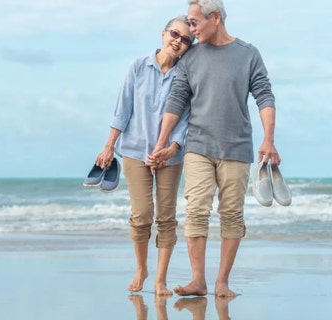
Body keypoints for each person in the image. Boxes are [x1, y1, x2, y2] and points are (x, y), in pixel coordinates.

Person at [148, 0, 280, 298]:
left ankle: (221, 282)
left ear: (215, 18)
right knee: (196, 211)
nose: (190, 30)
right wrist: (162, 142)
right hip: (198, 146)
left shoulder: (248, 54)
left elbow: (264, 96)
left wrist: (268, 139)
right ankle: (198, 281)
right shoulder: (191, 57)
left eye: (194, 23)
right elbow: (177, 99)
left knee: (232, 214)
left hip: (237, 148)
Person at [93, 16, 194, 295]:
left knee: (166, 217)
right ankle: (141, 268)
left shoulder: (186, 75)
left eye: (186, 39)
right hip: (135, 152)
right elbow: (122, 110)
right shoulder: (137, 67)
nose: (179, 41)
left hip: (170, 156)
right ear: (163, 34)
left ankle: (160, 279)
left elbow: (185, 118)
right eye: (175, 34)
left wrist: (172, 147)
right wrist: (109, 146)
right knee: (141, 215)